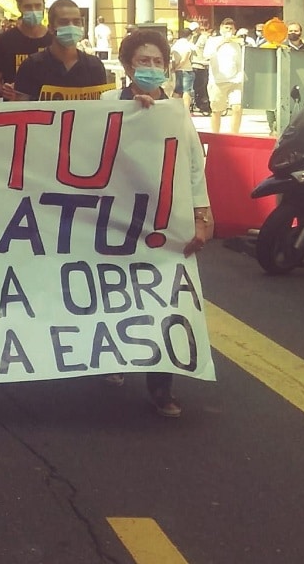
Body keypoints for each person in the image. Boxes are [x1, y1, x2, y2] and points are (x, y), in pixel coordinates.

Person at [102, 27, 213, 417]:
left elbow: (193, 165)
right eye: (142, 61)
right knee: (113, 294)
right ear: (128, 65)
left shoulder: (176, 110)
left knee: (165, 299)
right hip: (114, 220)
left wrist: (202, 214)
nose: (150, 68)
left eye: (157, 62)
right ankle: (111, 358)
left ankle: (161, 385)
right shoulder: (105, 103)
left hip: (165, 220)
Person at [13, 0, 110, 100]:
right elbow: (21, 110)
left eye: (76, 22)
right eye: (64, 22)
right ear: (50, 28)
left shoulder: (94, 66)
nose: (71, 27)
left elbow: (101, 108)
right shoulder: (31, 66)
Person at [0, 0, 52, 99]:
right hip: (16, 110)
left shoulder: (54, 40)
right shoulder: (3, 41)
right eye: (28, 7)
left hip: (50, 108)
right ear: (19, 8)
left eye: (38, 6)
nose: (34, 11)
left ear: (44, 6)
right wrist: (3, 89)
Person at [205, 17, 244, 134]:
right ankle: (216, 135)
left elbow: (239, 62)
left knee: (237, 108)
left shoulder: (236, 44)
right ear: (221, 28)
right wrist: (221, 43)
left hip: (235, 81)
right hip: (218, 81)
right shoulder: (212, 41)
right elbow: (207, 55)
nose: (228, 30)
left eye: (231, 28)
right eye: (226, 27)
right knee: (217, 111)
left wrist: (241, 76)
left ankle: (234, 135)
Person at [169, 24, 197, 113]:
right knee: (187, 91)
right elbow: (185, 58)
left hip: (178, 71)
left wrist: (174, 68)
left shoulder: (175, 44)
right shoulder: (188, 44)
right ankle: (186, 111)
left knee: (177, 90)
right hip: (186, 70)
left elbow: (173, 58)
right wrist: (179, 66)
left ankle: (173, 109)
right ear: (189, 36)